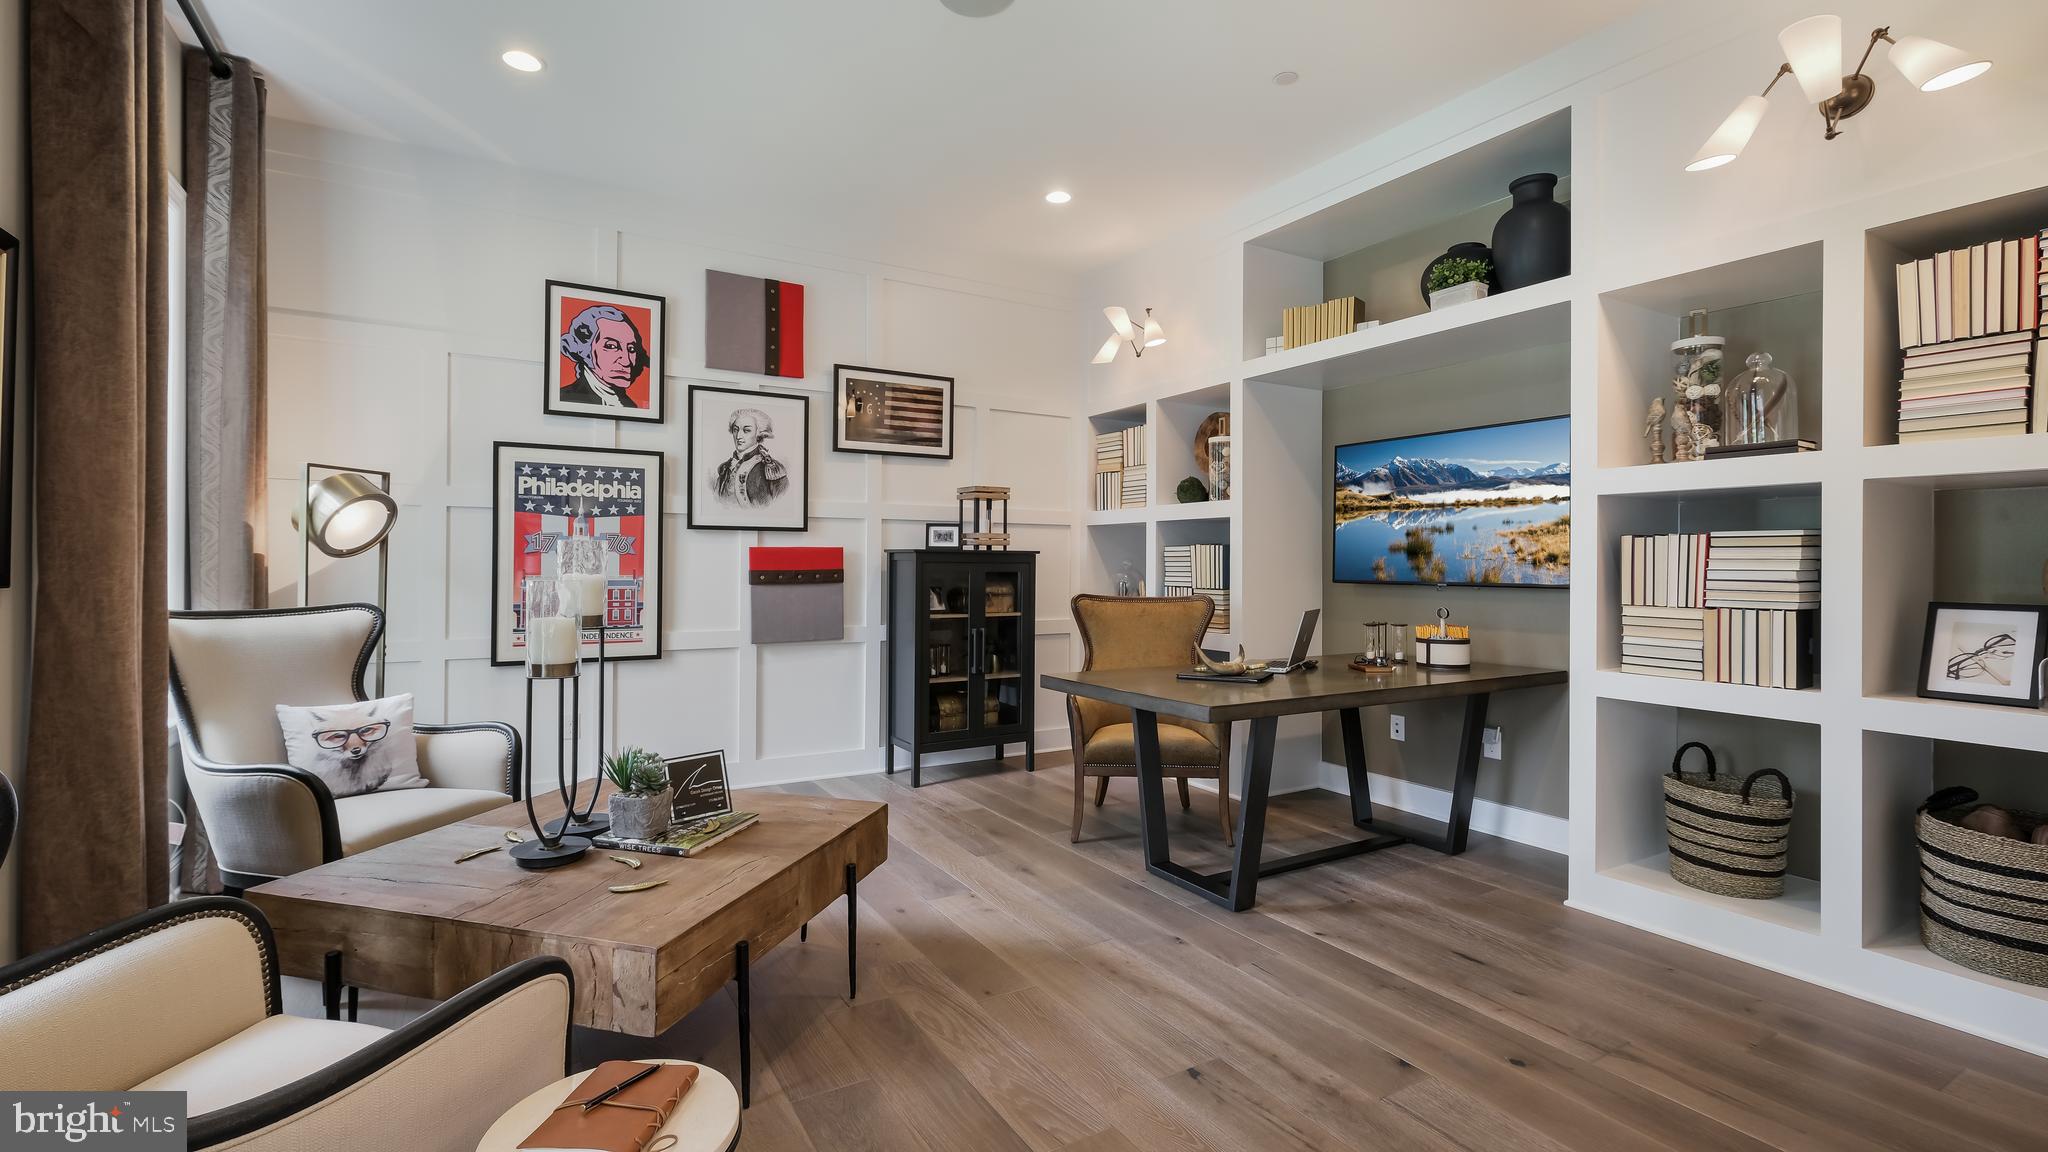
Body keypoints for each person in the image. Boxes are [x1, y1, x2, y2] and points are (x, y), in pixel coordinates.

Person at [559, 304, 648, 409]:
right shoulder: (566, 399)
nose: (626, 361)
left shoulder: (631, 405)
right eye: (611, 346)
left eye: (631, 349)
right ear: (585, 350)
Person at [713, 407, 788, 506]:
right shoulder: (725, 468)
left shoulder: (772, 469)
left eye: (746, 430)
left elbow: (782, 505)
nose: (738, 436)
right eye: (735, 430)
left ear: (759, 433)